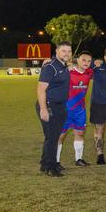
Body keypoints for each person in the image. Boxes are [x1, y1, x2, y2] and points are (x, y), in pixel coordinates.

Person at [37, 41, 72, 177]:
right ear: (56, 51)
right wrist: (44, 109)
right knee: (52, 137)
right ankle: (51, 167)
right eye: (63, 51)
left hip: (60, 106)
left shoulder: (63, 66)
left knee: (53, 136)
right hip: (49, 105)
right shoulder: (50, 67)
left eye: (69, 51)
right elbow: (41, 89)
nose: (67, 54)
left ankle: (44, 163)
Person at [57, 51, 93, 167]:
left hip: (80, 110)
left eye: (89, 61)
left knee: (80, 133)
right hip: (65, 109)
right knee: (60, 135)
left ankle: (79, 159)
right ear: (77, 60)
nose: (86, 63)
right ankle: (56, 161)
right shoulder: (68, 71)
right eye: (83, 60)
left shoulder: (89, 72)